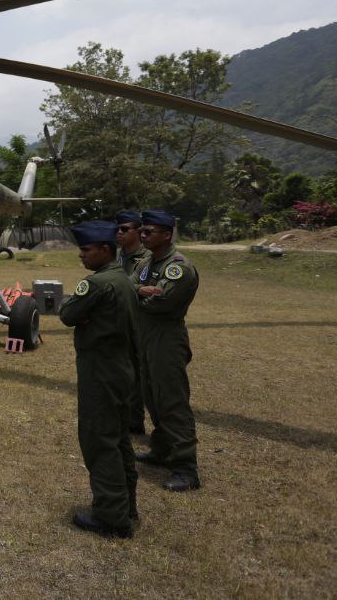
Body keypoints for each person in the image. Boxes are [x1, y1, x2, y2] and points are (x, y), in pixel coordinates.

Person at [59, 219, 139, 538]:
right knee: (119, 440)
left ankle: (111, 516)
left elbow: (67, 315)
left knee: (99, 441)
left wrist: (83, 312)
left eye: (86, 249)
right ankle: (126, 505)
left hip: (99, 372)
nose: (81, 255)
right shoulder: (124, 279)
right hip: (121, 369)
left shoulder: (96, 284)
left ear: (105, 250)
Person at [133, 209, 202, 492]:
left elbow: (159, 303)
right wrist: (139, 290)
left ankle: (186, 467)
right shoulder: (147, 262)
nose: (143, 235)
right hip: (145, 336)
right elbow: (129, 286)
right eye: (142, 231)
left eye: (148, 232)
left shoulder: (179, 267)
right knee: (151, 395)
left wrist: (137, 292)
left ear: (166, 234)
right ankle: (161, 449)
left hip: (167, 338)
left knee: (172, 401)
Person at [115, 209, 149, 436]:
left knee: (143, 375)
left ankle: (138, 420)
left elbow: (150, 290)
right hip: (122, 321)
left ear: (138, 231)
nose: (119, 233)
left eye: (125, 229)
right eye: (117, 229)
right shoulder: (119, 255)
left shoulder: (148, 258)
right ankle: (131, 420)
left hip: (142, 324)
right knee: (125, 373)